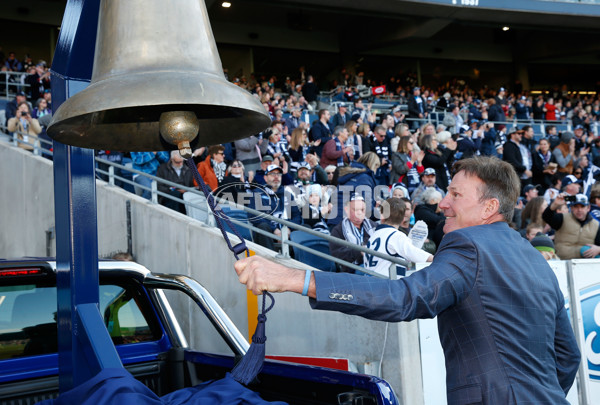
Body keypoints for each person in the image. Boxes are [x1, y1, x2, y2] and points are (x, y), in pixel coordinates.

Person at [235, 156, 580, 405]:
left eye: (456, 195)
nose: (443, 203)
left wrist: (297, 277)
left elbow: (403, 297)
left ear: (489, 207)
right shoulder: (536, 258)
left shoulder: (468, 244)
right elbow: (567, 357)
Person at [364, 198, 432, 277]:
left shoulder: (374, 235)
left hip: (370, 281)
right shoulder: (396, 235)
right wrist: (436, 258)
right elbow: (415, 253)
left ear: (381, 216)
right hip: (386, 283)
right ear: (403, 218)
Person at [542, 193, 600, 259]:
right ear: (572, 208)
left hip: (585, 264)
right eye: (576, 207)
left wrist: (598, 249)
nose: (579, 210)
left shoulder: (596, 225)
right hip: (562, 262)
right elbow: (546, 216)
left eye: (582, 207)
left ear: (588, 208)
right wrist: (555, 204)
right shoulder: (562, 218)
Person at [328, 195, 377, 273]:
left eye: (362, 210)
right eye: (355, 210)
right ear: (347, 210)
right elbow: (337, 254)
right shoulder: (338, 230)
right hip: (352, 269)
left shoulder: (373, 226)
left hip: (374, 264)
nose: (359, 213)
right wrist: (359, 251)